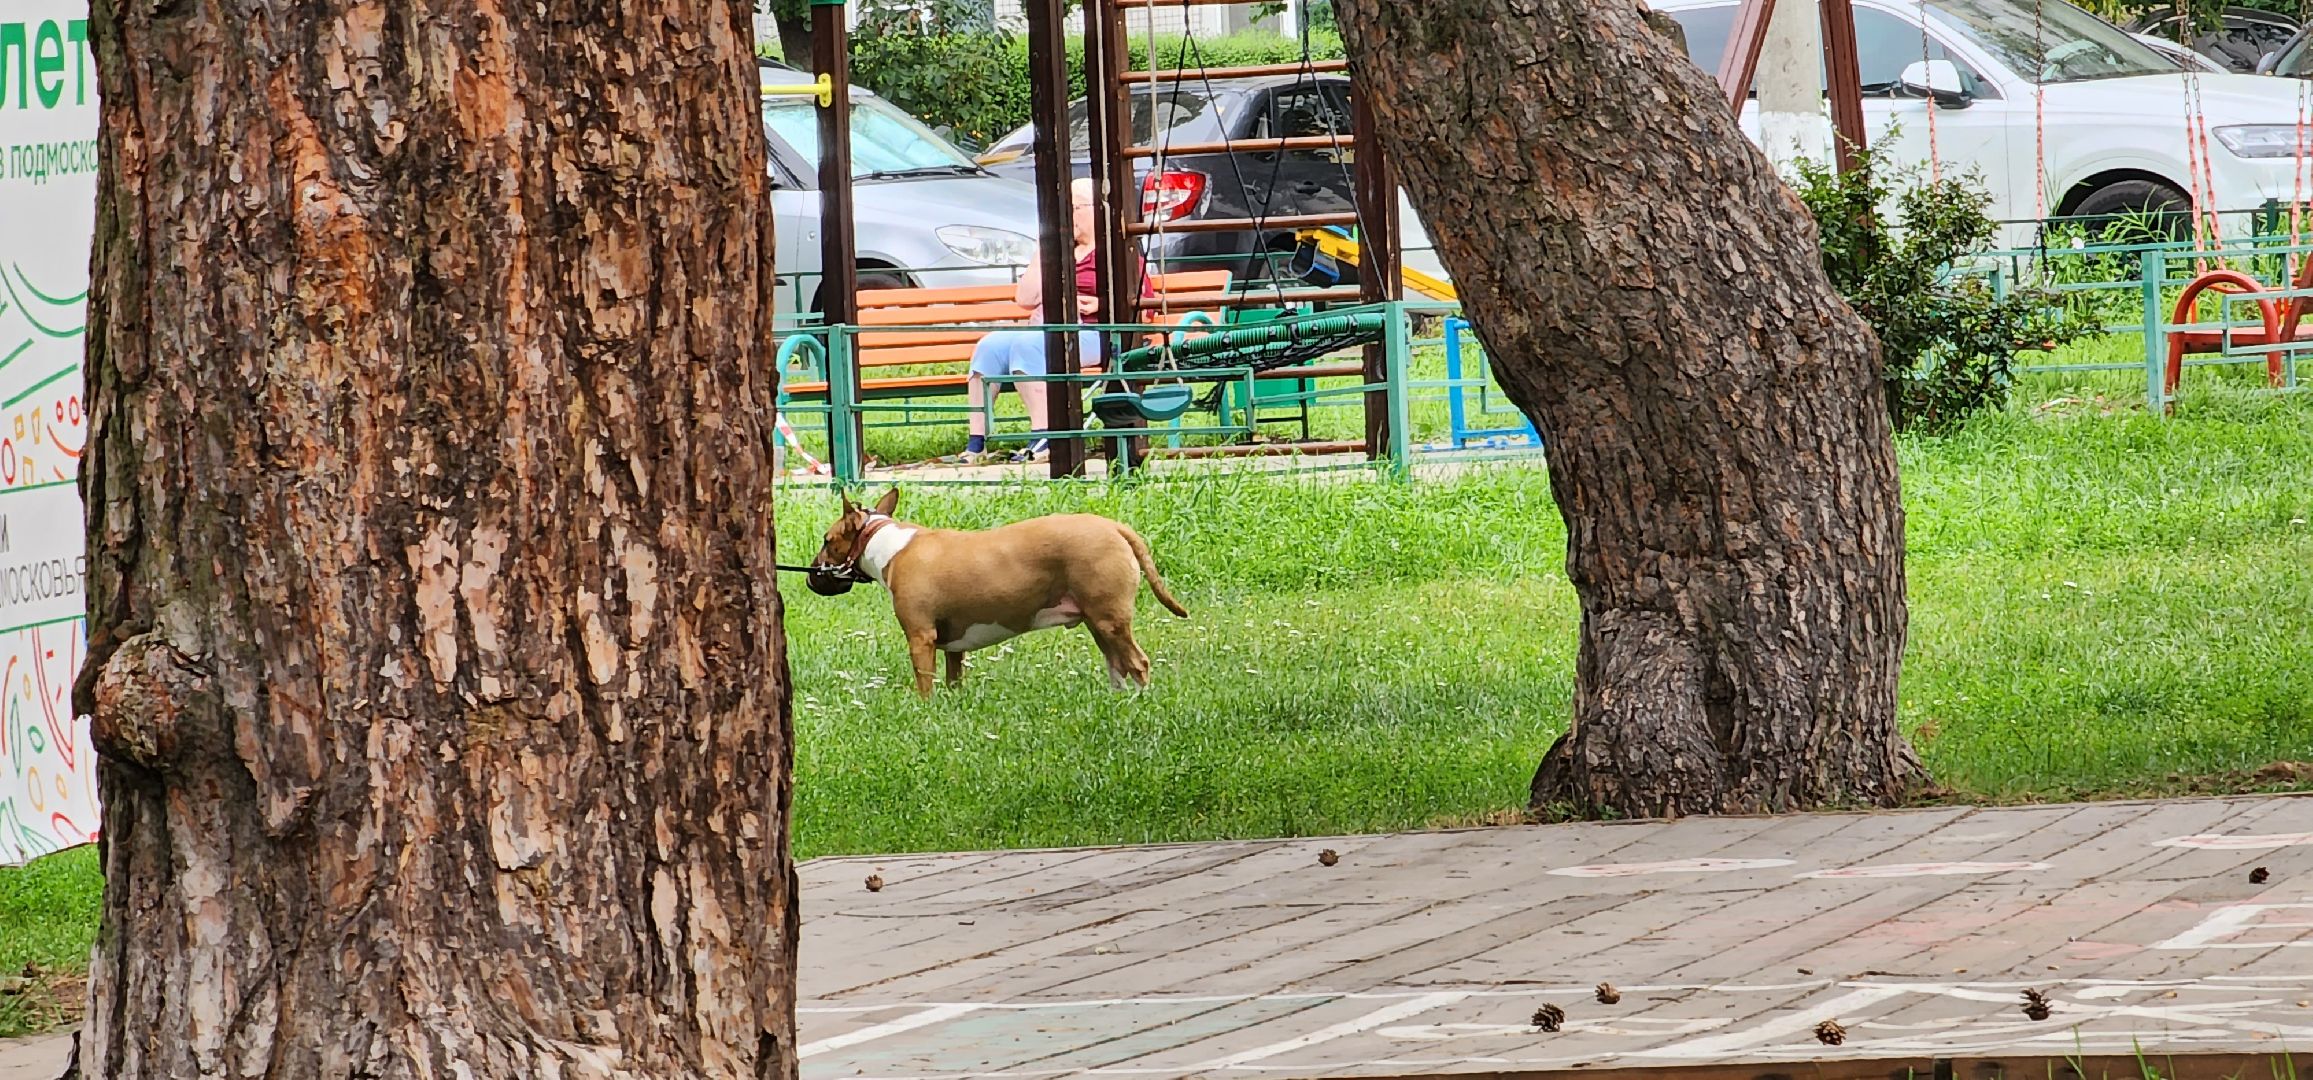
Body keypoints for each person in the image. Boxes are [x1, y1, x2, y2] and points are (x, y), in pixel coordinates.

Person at [953, 177, 1141, 465]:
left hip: (1095, 333)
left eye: (1075, 207)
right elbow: (1025, 299)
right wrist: (1046, 248)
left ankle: (1045, 438)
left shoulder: (1115, 251)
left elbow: (1140, 301)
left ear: (1097, 210)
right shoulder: (1058, 250)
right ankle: (977, 443)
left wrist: (1100, 304)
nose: (1068, 215)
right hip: (1047, 329)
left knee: (1030, 347)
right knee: (989, 346)